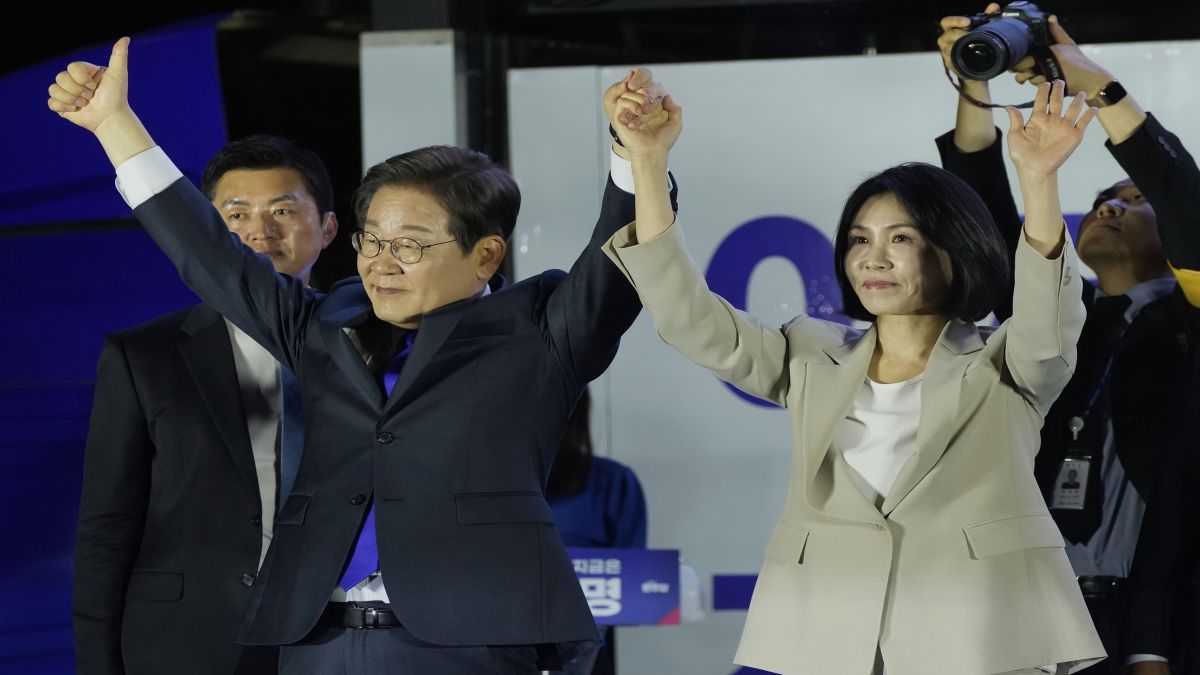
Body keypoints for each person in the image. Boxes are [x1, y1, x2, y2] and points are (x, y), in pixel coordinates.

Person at [48, 38, 673, 673]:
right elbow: (208, 253)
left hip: (467, 642)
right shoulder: (324, 323)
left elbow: (617, 263)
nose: (379, 263)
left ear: (485, 254)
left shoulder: (542, 331)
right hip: (316, 639)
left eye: (409, 245)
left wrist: (636, 159)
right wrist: (114, 125)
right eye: (370, 239)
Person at [601, 72, 1105, 672]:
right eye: (860, 239)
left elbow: (1050, 323)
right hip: (827, 633)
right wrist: (649, 164)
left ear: (955, 249)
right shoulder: (811, 353)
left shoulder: (1007, 364)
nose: (874, 257)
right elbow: (689, 318)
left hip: (978, 635)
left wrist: (1039, 181)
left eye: (902, 238)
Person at [935, 8, 1200, 674]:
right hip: (1033, 618)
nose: (1111, 206)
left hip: (1153, 626)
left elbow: (1186, 202)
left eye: (1134, 199)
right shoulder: (1061, 314)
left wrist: (1099, 89)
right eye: (1105, 196)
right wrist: (975, 82)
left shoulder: (1189, 318)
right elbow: (986, 228)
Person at [72, 134, 338, 675]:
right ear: (203, 230)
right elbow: (107, 525)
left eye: (283, 211)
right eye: (235, 214)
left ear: (328, 228)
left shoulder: (371, 345)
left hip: (337, 639)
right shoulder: (142, 356)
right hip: (187, 641)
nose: (259, 232)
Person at [546, 387, 649, 675]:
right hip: (496, 648)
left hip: (589, 653)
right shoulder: (478, 490)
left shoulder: (614, 482)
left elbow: (635, 586)